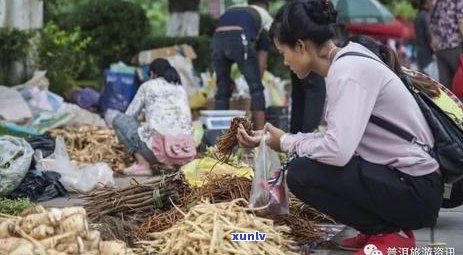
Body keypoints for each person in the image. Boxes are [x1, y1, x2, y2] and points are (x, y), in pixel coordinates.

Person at [236, 1, 443, 254]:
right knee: (306, 165)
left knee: (302, 173)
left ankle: (392, 234)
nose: (285, 61)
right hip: (406, 182)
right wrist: (275, 139)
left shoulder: (347, 71)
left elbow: (337, 150)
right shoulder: (346, 62)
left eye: (283, 52)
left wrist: (286, 142)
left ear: (301, 46)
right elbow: (336, 139)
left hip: (416, 191)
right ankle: (377, 229)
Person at [112, 58, 194, 175]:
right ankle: (174, 164)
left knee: (119, 119)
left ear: (152, 73)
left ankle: (142, 164)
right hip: (186, 151)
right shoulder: (180, 89)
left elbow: (129, 115)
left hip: (158, 151)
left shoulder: (147, 86)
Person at [211, 0, 273, 129]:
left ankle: (219, 139)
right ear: (266, 7)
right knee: (256, 90)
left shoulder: (234, 8)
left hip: (217, 39)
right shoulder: (266, 18)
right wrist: (257, 81)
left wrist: (228, 80)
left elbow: (224, 36)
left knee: (222, 90)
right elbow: (262, 57)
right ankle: (259, 135)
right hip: (239, 38)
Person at [429, 0, 463, 88]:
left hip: (439, 48)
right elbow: (461, 22)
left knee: (445, 86)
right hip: (453, 46)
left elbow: (432, 22)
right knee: (460, 81)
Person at [412, 0, 438, 80]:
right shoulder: (425, 16)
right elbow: (429, 36)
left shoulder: (419, 15)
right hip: (428, 56)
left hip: (421, 54)